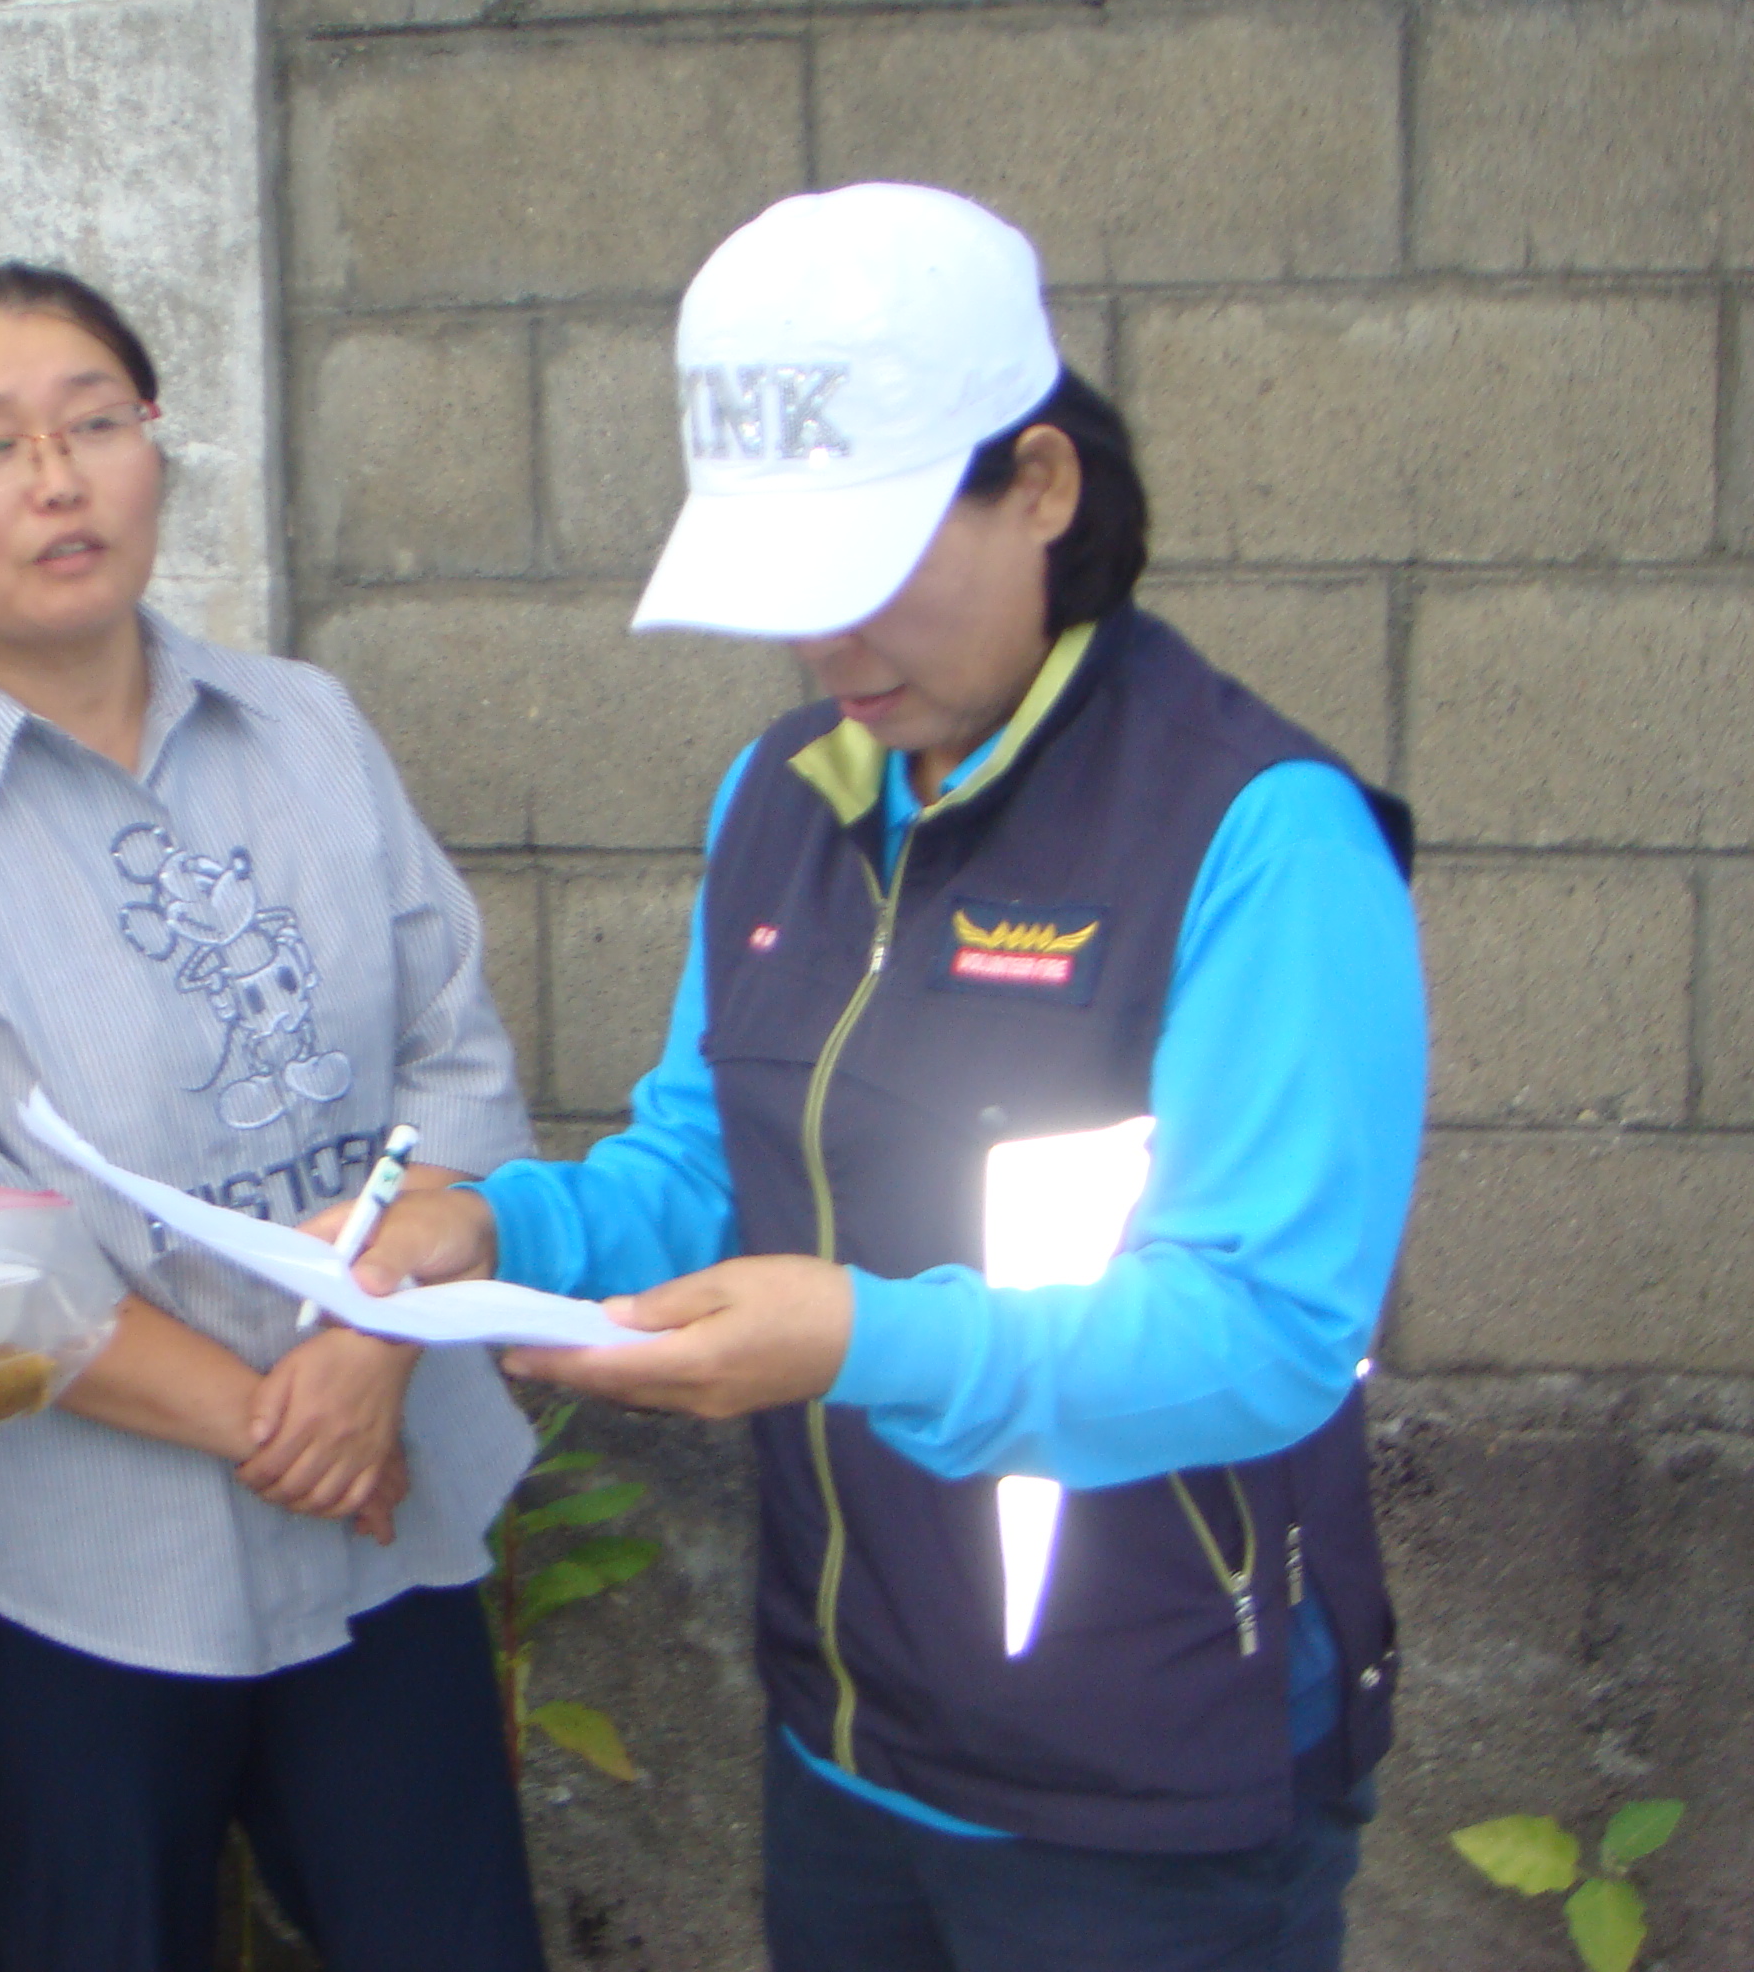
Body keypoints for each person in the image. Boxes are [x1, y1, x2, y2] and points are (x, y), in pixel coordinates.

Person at [338, 185, 1423, 1972]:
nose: (833, 649)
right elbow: (709, 1164)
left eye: (874, 569)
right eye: (789, 590)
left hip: (1141, 1785)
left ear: (1042, 486)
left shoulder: (1259, 835)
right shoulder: (787, 796)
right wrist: (499, 1229)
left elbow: (1270, 1331)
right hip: (850, 1734)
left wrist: (860, 1338)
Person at [0, 263, 550, 1972]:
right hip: (72, 1578)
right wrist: (300, 1425)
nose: (60, 480)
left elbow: (460, 1064)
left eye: (97, 423)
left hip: (386, 1518)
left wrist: (371, 1350)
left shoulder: (306, 724)